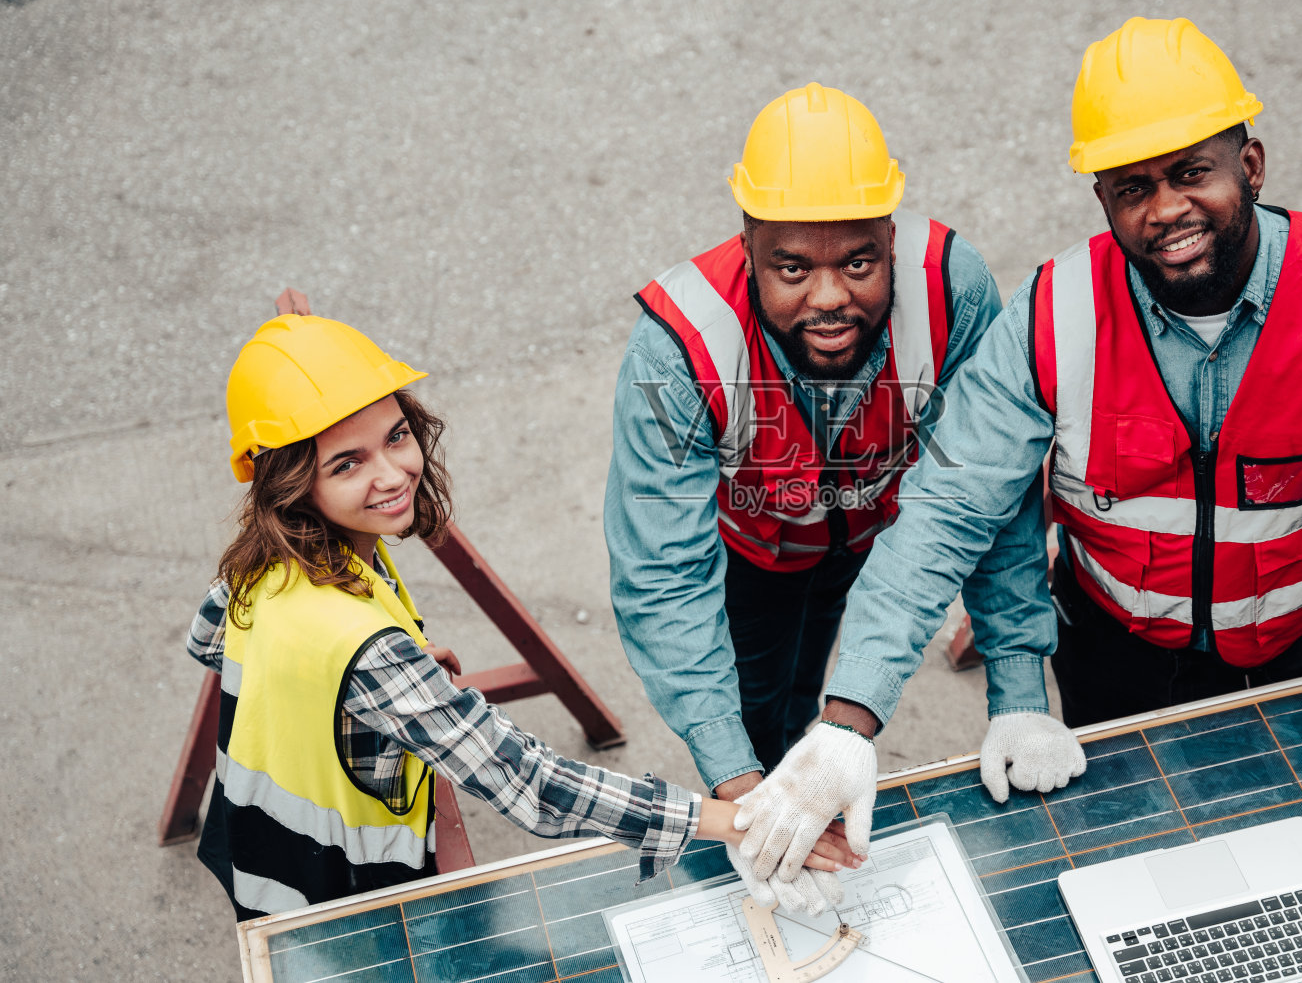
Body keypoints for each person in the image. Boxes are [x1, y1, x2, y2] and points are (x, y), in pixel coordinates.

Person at [736, 18, 1302, 886]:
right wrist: (848, 722)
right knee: (1120, 876)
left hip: (1286, 648)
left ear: (1251, 165)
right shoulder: (1052, 319)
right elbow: (947, 511)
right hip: (1107, 648)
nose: (1165, 208)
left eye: (1190, 172)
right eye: (1132, 187)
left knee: (1274, 869)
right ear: (1102, 202)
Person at [188, 312, 855, 921]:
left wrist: (380, 701)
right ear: (291, 483)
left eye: (396, 436)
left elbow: (208, 640)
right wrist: (735, 820)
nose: (393, 473)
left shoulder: (262, 561)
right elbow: (532, 784)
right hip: (336, 889)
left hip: (248, 833)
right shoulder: (368, 654)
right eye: (348, 462)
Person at [605, 83, 1082, 823]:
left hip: (880, 541)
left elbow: (996, 495)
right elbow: (664, 577)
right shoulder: (677, 352)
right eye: (792, 268)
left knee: (825, 676)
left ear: (891, 239)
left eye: (858, 264)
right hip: (753, 559)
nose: (828, 298)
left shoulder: (952, 292)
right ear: (747, 248)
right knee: (760, 701)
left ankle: (807, 730)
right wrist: (736, 783)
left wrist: (1018, 691)